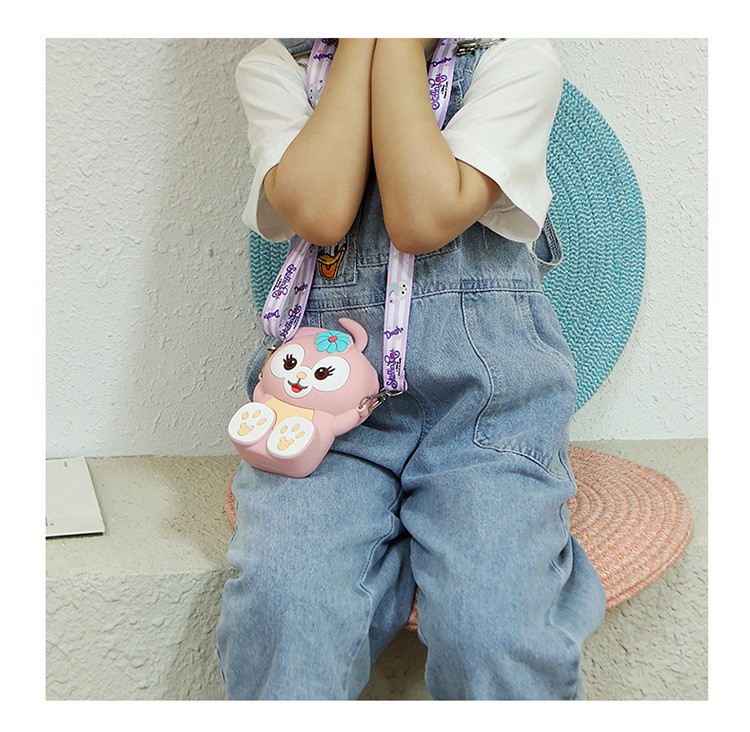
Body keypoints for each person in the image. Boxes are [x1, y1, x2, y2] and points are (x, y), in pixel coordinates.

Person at [216, 37, 606, 700]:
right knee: (286, 606)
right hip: (325, 422)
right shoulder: (276, 70)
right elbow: (321, 212)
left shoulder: (517, 62)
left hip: (486, 416)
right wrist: (363, 44)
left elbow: (422, 216)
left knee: (494, 628)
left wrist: (397, 40)